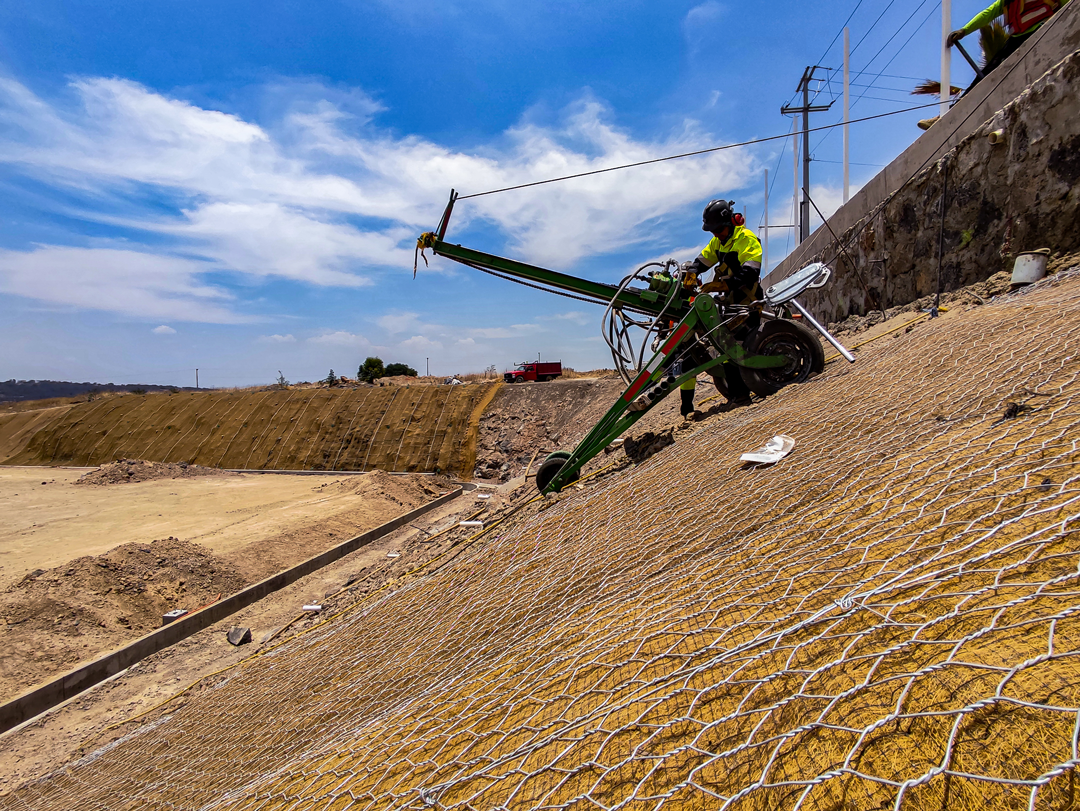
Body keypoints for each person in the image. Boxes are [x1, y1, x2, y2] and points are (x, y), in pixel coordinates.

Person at [684, 198, 763, 406]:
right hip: (731, 304)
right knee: (724, 346)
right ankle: (739, 394)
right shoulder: (719, 242)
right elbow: (704, 259)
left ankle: (743, 395)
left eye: (718, 230)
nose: (715, 235)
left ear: (730, 223)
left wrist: (724, 286)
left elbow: (751, 271)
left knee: (734, 345)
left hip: (748, 301)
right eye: (713, 232)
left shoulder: (746, 239)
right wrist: (692, 271)